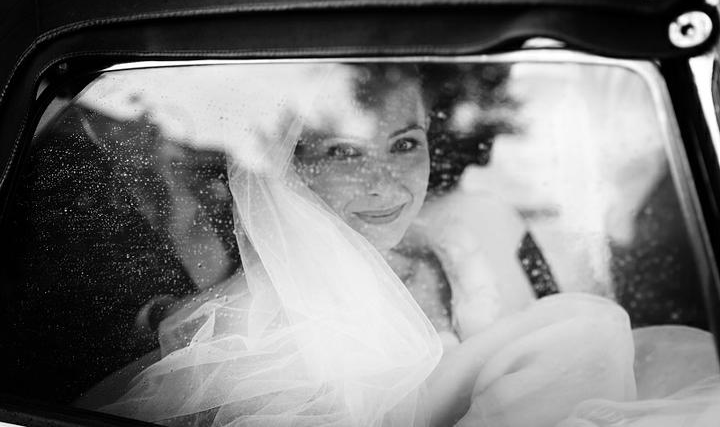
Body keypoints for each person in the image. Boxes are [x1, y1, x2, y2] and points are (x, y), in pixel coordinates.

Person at [80, 63, 719, 426]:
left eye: (405, 143)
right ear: (287, 170)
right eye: (343, 153)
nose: (387, 182)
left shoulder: (461, 236)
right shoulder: (258, 329)